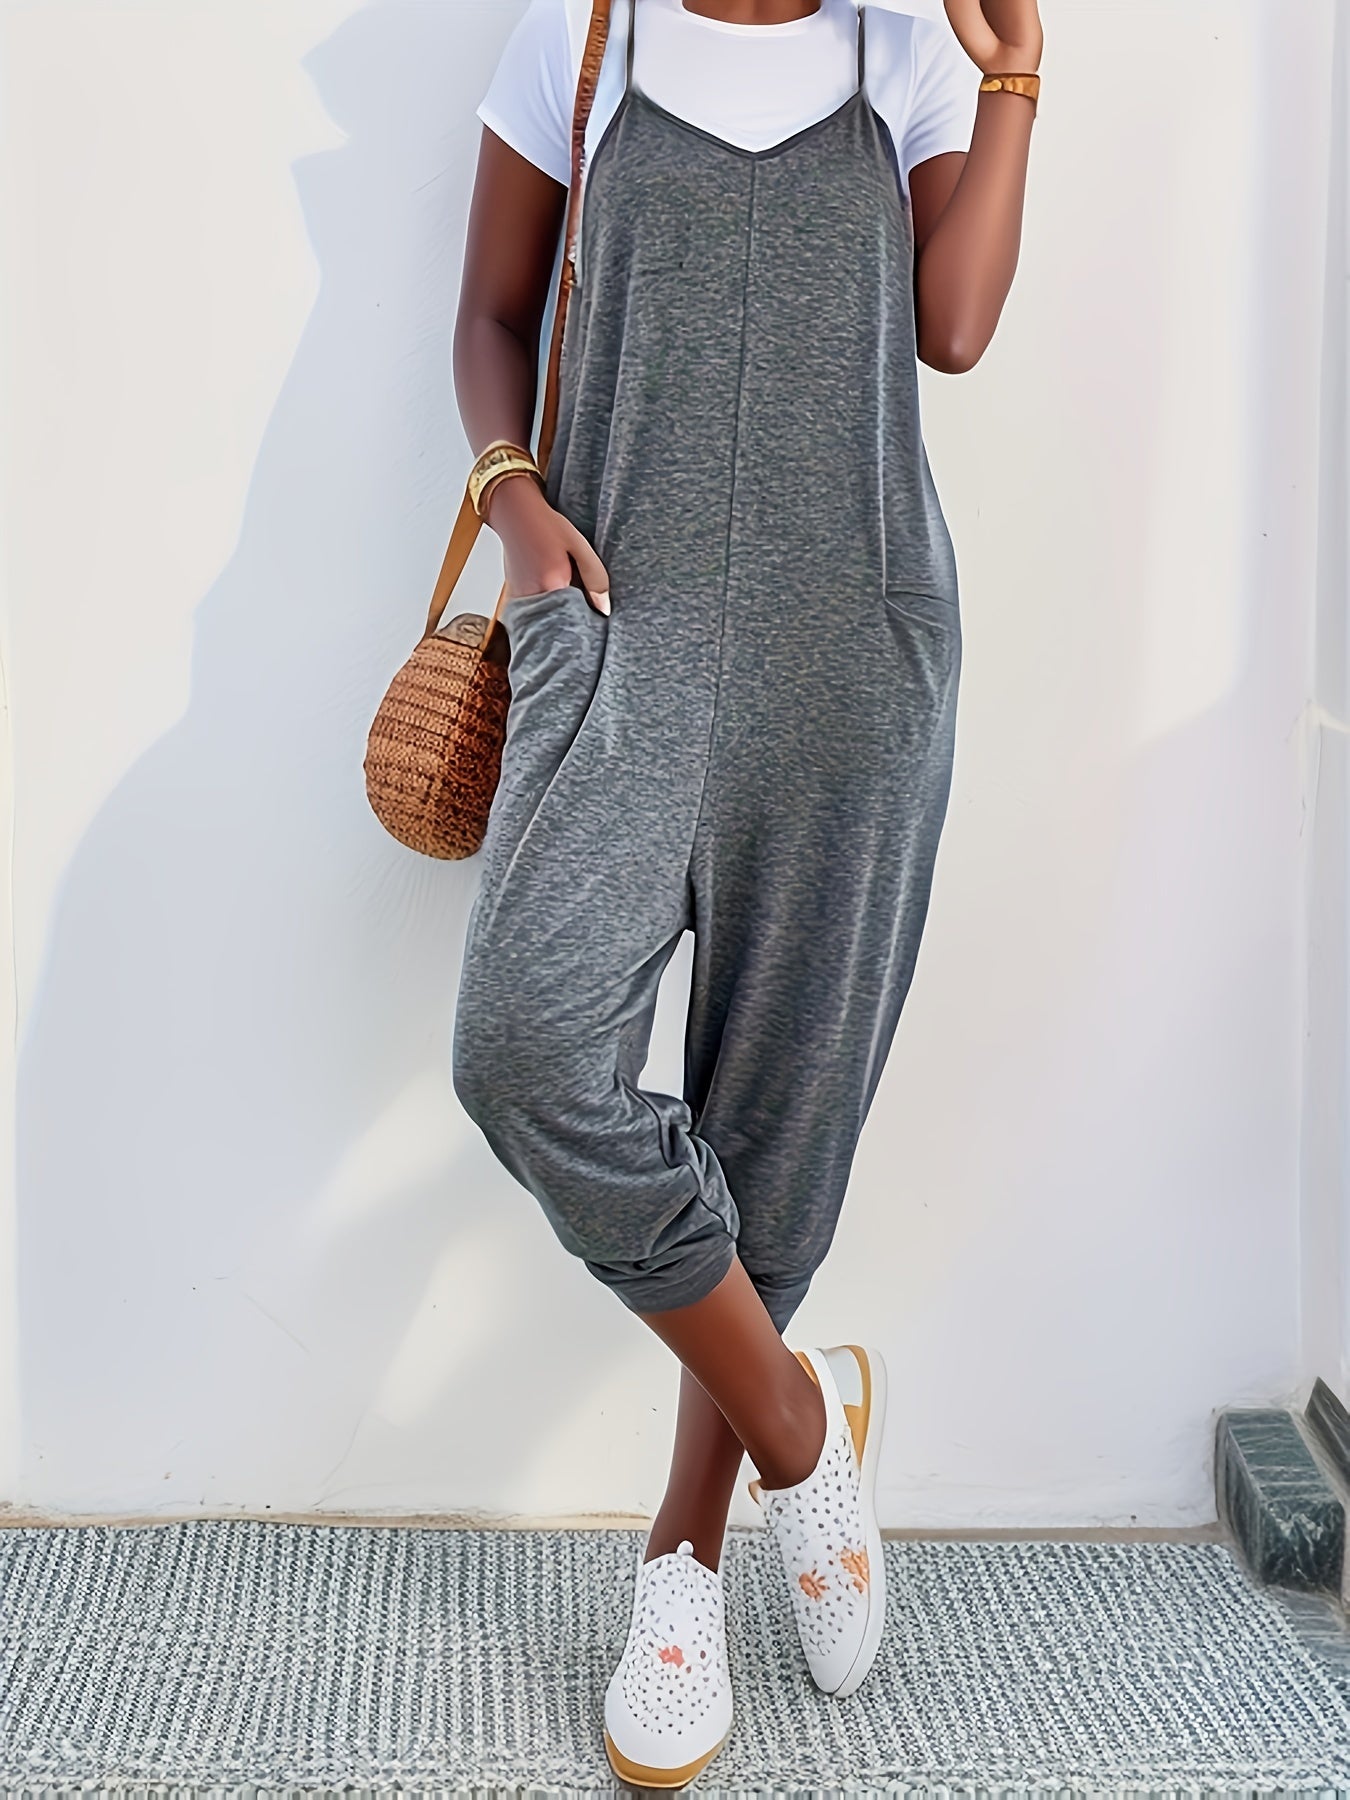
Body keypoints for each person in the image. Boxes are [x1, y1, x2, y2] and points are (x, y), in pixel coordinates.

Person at [450, 0, 1041, 1783]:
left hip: (849, 654)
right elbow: (490, 310)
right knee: (524, 1050)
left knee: (772, 1126)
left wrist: (1015, 71)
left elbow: (953, 328)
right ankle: (800, 1430)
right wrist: (510, 503)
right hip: (618, 631)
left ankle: (682, 1568)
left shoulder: (903, 59)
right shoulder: (586, 37)